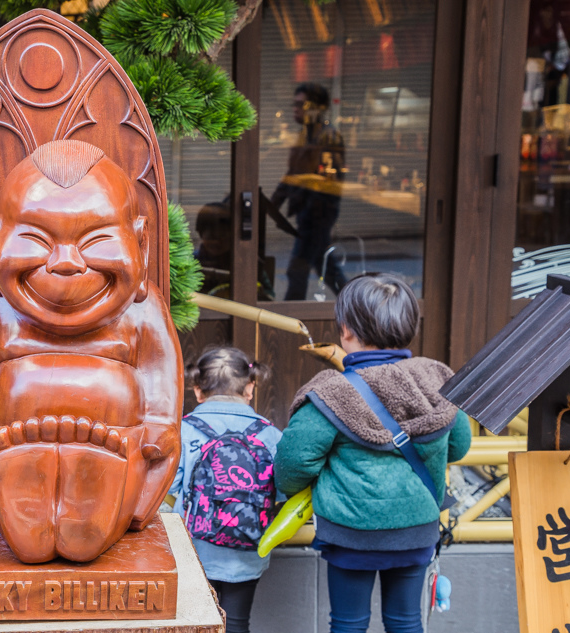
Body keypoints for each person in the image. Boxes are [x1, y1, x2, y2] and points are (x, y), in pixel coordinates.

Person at [274, 274, 471, 633]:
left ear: (345, 329)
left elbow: (293, 463)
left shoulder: (329, 393)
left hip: (350, 532)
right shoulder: (436, 381)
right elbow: (459, 446)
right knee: (407, 622)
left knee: (348, 623)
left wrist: (300, 494)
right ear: (409, 328)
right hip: (416, 527)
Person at [169, 347, 281, 633]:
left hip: (194, 548)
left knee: (195, 623)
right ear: (250, 388)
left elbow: (168, 484)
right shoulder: (268, 433)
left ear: (197, 390)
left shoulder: (184, 430)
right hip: (248, 548)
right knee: (238, 622)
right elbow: (281, 490)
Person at [266, 82, 347, 300]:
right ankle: (356, 304)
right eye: (295, 104)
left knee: (297, 269)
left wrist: (314, 215)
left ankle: (291, 320)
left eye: (302, 105)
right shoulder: (305, 135)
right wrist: (272, 204)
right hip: (307, 214)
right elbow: (293, 174)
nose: (296, 109)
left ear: (319, 108)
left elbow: (330, 182)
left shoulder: (328, 137)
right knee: (326, 267)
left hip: (318, 214)